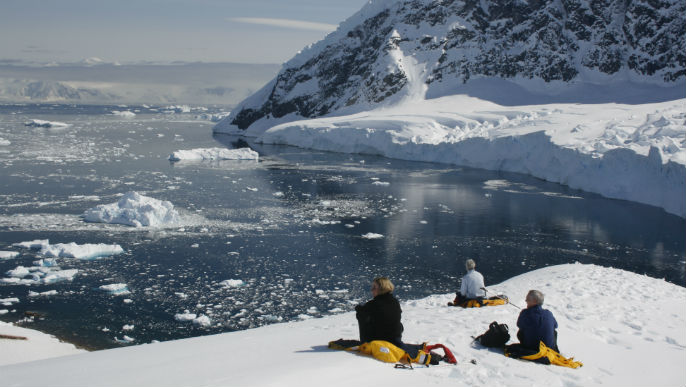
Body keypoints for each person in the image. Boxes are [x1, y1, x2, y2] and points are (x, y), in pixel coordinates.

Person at [355, 277, 404, 347]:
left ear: (382, 289)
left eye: (374, 287)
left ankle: (365, 343)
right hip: (395, 338)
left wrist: (358, 309)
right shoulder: (395, 302)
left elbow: (362, 313)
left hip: (378, 341)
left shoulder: (373, 304)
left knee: (361, 315)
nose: (371, 290)